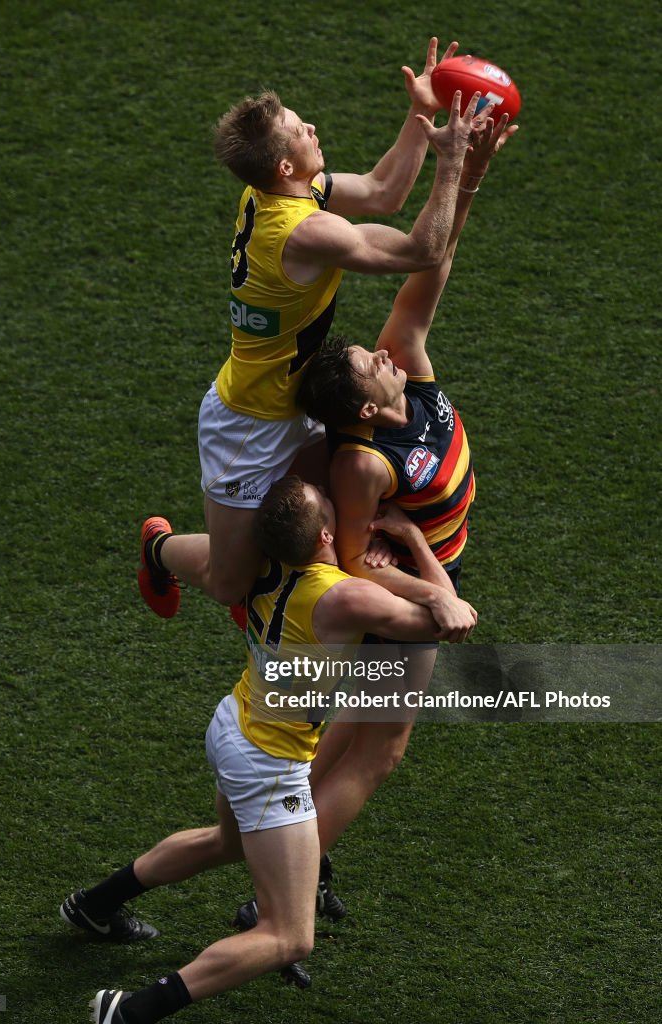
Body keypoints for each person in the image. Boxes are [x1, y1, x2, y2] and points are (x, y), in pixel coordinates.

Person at [62, 476, 472, 1024]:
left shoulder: (260, 560)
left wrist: (158, 548)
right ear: (328, 533)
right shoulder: (345, 595)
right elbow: (450, 618)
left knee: (226, 841)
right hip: (269, 764)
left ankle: (95, 905)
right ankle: (129, 1012)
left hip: (236, 721)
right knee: (288, 935)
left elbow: (186, 547)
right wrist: (411, 540)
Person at [138, 38, 489, 617]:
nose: (313, 129)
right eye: (302, 130)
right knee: (230, 582)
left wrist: (420, 112)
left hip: (294, 397)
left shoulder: (281, 191)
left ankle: (285, 575)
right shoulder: (304, 234)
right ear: (284, 167)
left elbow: (383, 192)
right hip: (248, 425)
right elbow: (420, 252)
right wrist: (452, 163)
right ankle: (158, 548)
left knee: (322, 524)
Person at [295, 111, 518, 855]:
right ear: (364, 406)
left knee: (350, 736)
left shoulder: (407, 370)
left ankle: (284, 849)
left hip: (430, 563)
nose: (383, 354)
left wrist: (471, 175)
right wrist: (433, 589)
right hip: (413, 596)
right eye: (371, 364)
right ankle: (294, 875)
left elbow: (430, 270)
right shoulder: (362, 464)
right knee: (378, 750)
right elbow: (352, 566)